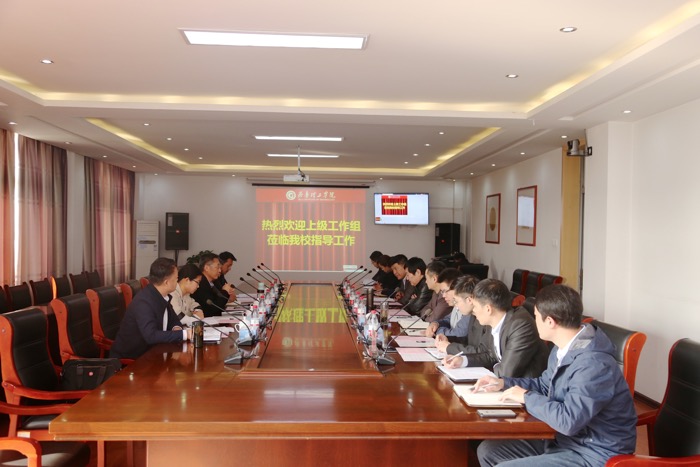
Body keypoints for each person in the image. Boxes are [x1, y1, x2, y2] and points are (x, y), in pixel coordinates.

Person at [475, 284, 637, 467]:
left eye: (536, 316)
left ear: (550, 322)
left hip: (594, 453)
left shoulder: (594, 365)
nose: (533, 321)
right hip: (566, 440)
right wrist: (503, 383)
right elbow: (546, 386)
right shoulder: (564, 347)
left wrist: (526, 397)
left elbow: (568, 421)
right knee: (489, 451)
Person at [442, 279, 548, 378]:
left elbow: (507, 373)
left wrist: (493, 367)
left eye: (475, 307)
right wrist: (462, 361)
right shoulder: (494, 321)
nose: (473, 311)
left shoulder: (520, 325)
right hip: (504, 383)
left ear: (488, 309)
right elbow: (490, 355)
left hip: (524, 387)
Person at [110, 257, 191, 360]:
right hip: (132, 359)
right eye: (176, 278)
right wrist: (184, 334)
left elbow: (174, 320)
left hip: (155, 352)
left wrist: (176, 328)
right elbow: (151, 336)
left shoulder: (163, 296)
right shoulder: (144, 302)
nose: (177, 281)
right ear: (166, 282)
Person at [434, 274, 485, 354]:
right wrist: (447, 339)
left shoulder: (484, 319)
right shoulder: (473, 315)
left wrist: (449, 347)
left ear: (469, 300)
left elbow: (482, 351)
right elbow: (467, 340)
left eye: (456, 301)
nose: (456, 306)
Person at [424, 268, 468, 338]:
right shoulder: (456, 306)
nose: (443, 295)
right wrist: (436, 324)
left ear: (456, 288)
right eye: (442, 292)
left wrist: (437, 331)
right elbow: (448, 320)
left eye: (445, 291)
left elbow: (458, 334)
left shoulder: (467, 307)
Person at [191, 252, 230, 317]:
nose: (220, 271)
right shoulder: (200, 284)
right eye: (217, 267)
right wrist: (225, 292)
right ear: (206, 268)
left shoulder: (214, 282)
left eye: (220, 268)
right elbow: (212, 308)